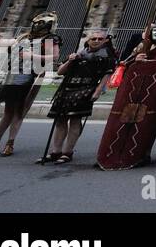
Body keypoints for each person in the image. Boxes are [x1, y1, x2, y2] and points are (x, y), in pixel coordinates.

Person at [0, 13, 62, 158]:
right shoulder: (23, 37)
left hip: (31, 76)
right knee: (8, 111)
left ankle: (10, 143)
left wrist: (30, 55)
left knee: (19, 111)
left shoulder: (51, 39)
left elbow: (54, 57)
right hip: (13, 75)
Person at [42, 27, 115, 164]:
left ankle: (67, 152)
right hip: (67, 88)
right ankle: (55, 152)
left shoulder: (107, 56)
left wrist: (98, 91)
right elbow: (60, 72)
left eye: (100, 39)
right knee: (60, 120)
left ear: (105, 40)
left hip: (86, 88)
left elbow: (107, 74)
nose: (96, 41)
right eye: (94, 38)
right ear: (88, 40)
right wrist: (70, 60)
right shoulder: (78, 54)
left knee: (75, 120)